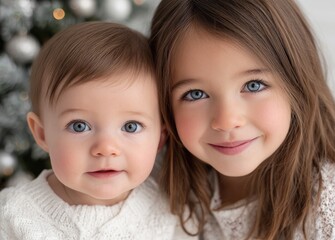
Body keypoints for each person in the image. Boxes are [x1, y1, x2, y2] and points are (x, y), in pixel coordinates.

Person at [149, 0, 335, 239]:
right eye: (196, 94)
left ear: (296, 83)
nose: (227, 120)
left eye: (253, 86)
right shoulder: (164, 182)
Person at [0, 21, 196, 239]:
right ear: (42, 134)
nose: (106, 148)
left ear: (160, 136)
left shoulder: (169, 206)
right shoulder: (12, 214)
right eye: (79, 126)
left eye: (131, 127)